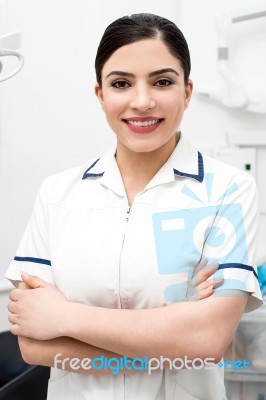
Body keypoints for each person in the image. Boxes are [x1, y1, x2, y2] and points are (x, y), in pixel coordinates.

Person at [5, 13, 262, 400]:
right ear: (100, 94)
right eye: (121, 83)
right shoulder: (57, 194)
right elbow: (35, 346)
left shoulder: (228, 190)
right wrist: (173, 338)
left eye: (162, 81)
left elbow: (207, 340)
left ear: (187, 91)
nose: (142, 102)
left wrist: (65, 317)